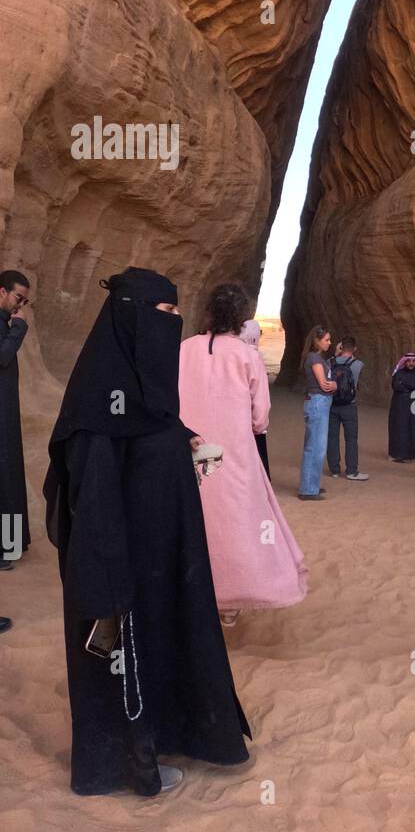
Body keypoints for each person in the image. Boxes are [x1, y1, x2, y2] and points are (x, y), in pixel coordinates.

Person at [43, 267, 250, 796]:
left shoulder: (143, 394)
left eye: (178, 315)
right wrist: (111, 589)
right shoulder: (96, 409)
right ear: (132, 314)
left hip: (161, 563)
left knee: (164, 645)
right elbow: (92, 508)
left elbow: (153, 425)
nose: (172, 326)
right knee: (117, 665)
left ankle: (163, 739)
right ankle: (125, 767)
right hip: (120, 572)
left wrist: (186, 443)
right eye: (163, 314)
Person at [179, 283, 308, 622]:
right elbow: (260, 414)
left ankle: (191, 593)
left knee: (192, 517)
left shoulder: (184, 349)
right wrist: (250, 427)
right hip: (232, 452)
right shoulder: (246, 355)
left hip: (186, 449)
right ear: (240, 317)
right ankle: (229, 599)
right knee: (236, 520)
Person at [0, 270, 31, 574]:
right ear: (2, 291)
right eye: (17, 298)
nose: (19, 305)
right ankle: (5, 547)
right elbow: (2, 357)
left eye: (24, 301)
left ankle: (8, 545)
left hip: (5, 415)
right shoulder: (10, 326)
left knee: (9, 479)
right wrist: (19, 327)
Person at [298, 326, 337, 500]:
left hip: (318, 402)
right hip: (318, 403)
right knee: (315, 447)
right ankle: (307, 490)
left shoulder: (317, 358)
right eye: (327, 339)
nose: (330, 342)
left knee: (315, 445)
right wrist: (334, 385)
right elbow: (324, 384)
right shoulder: (314, 358)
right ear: (317, 340)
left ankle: (311, 486)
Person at [327, 336, 368, 481]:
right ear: (354, 348)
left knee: (332, 437)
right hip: (349, 405)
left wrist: (336, 354)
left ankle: (334, 471)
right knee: (351, 438)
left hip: (332, 404)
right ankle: (351, 471)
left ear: (341, 347)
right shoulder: (359, 364)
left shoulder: (329, 362)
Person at [238, 318, 271, 477]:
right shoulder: (254, 356)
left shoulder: (230, 352)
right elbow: (261, 399)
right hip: (251, 426)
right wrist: (260, 425)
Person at [388, 353, 415, 462]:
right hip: (399, 405)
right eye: (409, 361)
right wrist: (409, 386)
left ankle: (408, 455)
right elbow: (395, 386)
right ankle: (396, 454)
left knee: (412, 428)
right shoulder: (398, 373)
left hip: (414, 404)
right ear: (405, 362)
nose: (411, 363)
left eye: (413, 361)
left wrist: (403, 382)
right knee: (398, 428)